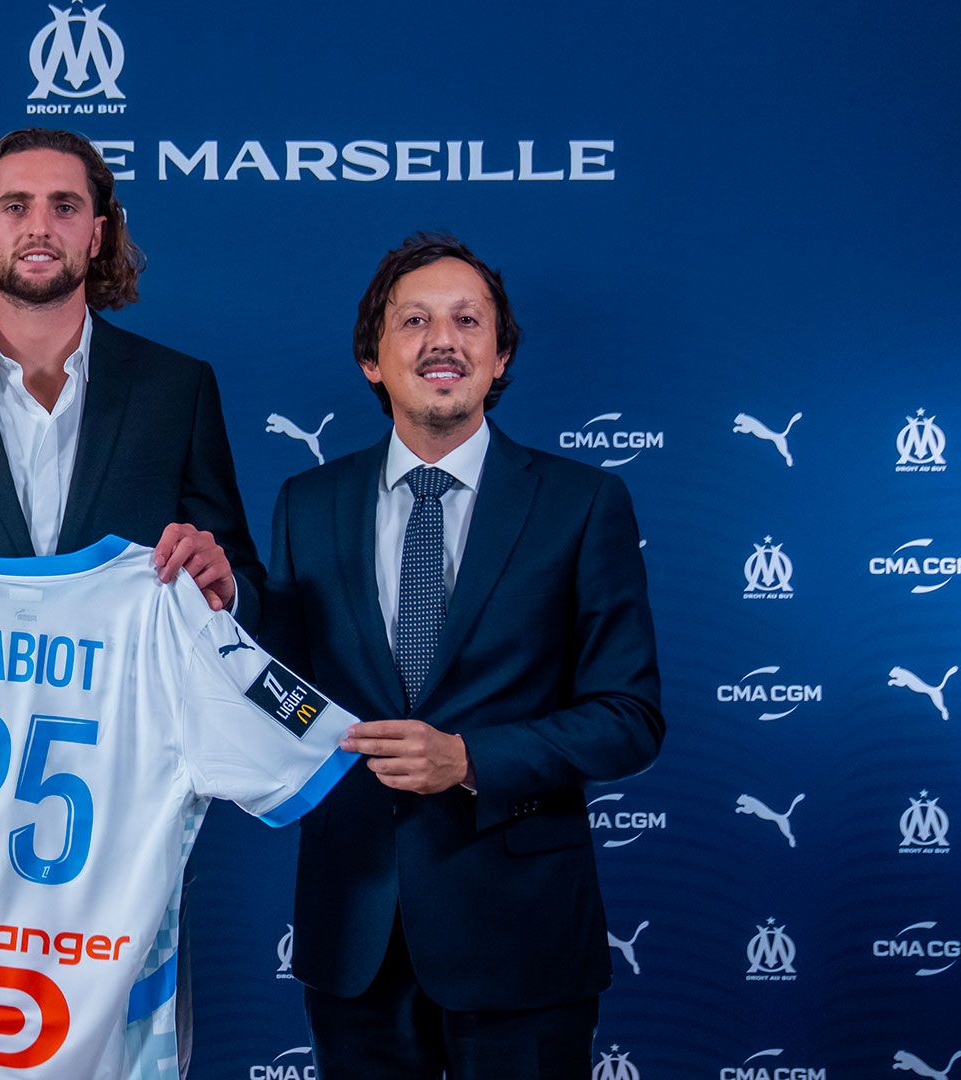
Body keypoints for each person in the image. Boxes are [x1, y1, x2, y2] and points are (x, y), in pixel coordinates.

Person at [266, 232, 665, 1078]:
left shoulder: (582, 503)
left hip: (524, 937)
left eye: (468, 320)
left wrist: (468, 759)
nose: (442, 340)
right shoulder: (306, 504)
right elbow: (282, 691)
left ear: (500, 355)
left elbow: (628, 718)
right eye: (414, 320)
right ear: (373, 360)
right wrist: (215, 606)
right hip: (353, 935)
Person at [0, 127, 261, 620]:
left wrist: (227, 589)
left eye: (64, 207)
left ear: (96, 234)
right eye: (16, 206)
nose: (40, 228)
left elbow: (243, 586)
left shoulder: (178, 390)